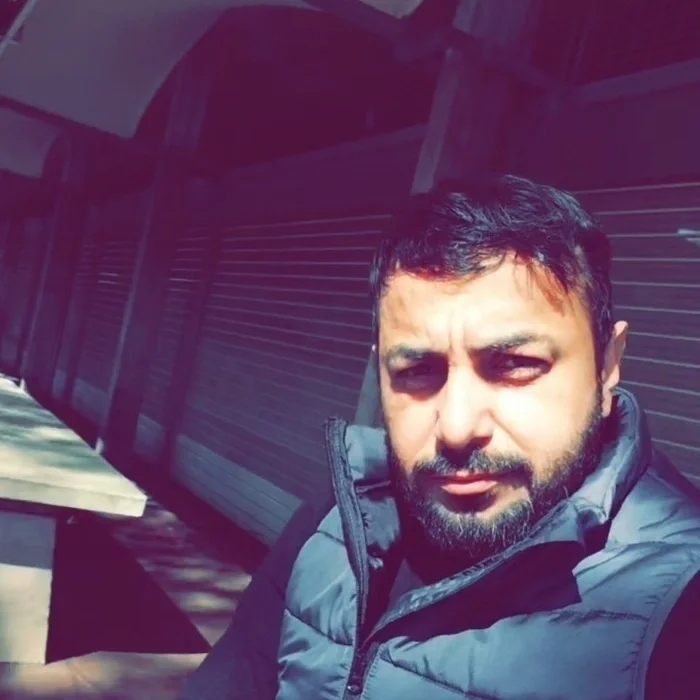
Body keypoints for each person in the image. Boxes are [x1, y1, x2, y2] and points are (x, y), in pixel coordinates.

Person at [180, 175, 700, 700]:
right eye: (417, 371)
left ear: (607, 366)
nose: (456, 428)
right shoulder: (334, 529)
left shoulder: (682, 612)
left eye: (514, 364)